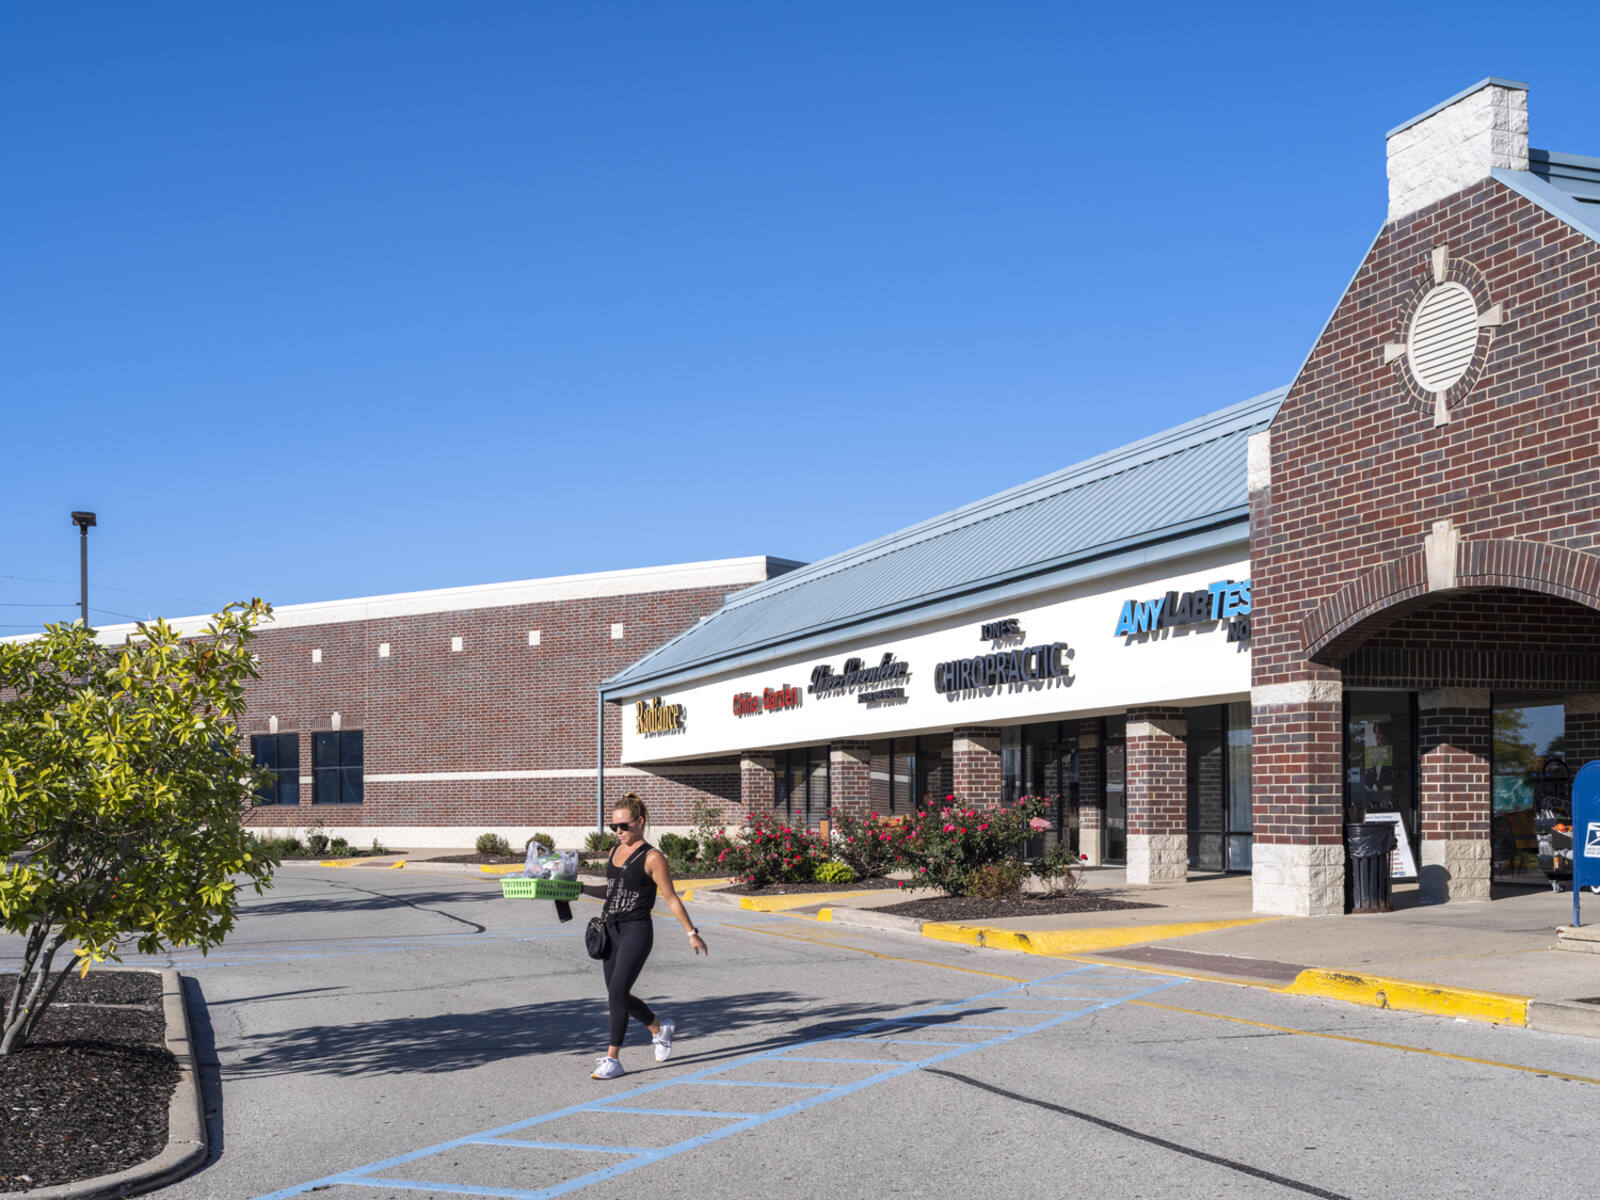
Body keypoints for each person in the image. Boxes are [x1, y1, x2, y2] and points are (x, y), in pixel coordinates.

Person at [581, 792, 707, 1080]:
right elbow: (610, 891)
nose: (618, 832)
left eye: (623, 826)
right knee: (618, 994)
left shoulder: (653, 857)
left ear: (640, 822)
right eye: (614, 827)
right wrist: (581, 889)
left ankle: (613, 1059)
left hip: (636, 930)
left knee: (616, 992)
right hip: (610, 929)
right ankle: (658, 1029)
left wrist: (691, 932)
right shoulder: (614, 852)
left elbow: (671, 898)